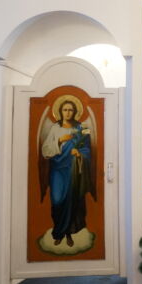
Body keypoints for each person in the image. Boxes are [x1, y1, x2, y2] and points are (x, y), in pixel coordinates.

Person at [40, 100, 94, 248]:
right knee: (57, 200)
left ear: (75, 112)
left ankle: (68, 233)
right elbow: (45, 150)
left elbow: (87, 150)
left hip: (72, 169)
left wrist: (79, 153)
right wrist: (59, 141)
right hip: (57, 169)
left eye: (71, 110)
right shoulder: (55, 128)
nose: (68, 113)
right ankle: (59, 231)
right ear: (60, 112)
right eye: (65, 110)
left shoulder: (81, 129)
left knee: (71, 201)